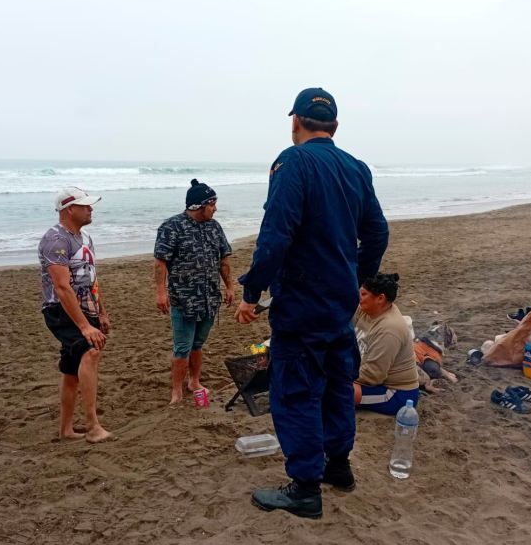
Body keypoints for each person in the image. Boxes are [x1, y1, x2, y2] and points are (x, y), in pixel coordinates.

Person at [235, 87, 389, 519]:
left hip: (302, 303)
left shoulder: (292, 162)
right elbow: (377, 233)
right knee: (337, 384)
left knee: (297, 392)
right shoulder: (356, 168)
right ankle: (338, 467)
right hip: (338, 304)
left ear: (295, 123)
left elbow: (275, 236)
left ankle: (305, 487)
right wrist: (355, 276)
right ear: (334, 128)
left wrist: (252, 292)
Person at [39, 187, 112, 443]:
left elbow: (91, 278)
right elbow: (61, 287)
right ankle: (93, 427)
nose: (90, 209)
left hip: (86, 307)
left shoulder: (85, 238)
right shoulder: (56, 240)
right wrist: (84, 327)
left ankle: (66, 430)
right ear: (70, 209)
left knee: (71, 370)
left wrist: (101, 312)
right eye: (85, 206)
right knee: (90, 352)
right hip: (61, 310)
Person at [154, 179, 235, 404]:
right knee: (182, 347)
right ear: (197, 206)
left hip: (210, 298)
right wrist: (161, 292)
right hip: (183, 299)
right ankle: (177, 390)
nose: (215, 208)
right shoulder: (171, 227)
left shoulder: (214, 226)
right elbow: (160, 262)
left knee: (198, 345)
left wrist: (229, 287)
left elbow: (224, 259)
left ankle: (194, 381)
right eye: (212, 204)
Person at [353, 273, 420, 414]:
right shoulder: (366, 309)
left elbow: (372, 376)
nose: (359, 297)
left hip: (396, 393)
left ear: (380, 299)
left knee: (336, 391)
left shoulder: (389, 329)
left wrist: (339, 376)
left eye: (364, 294)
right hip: (374, 378)